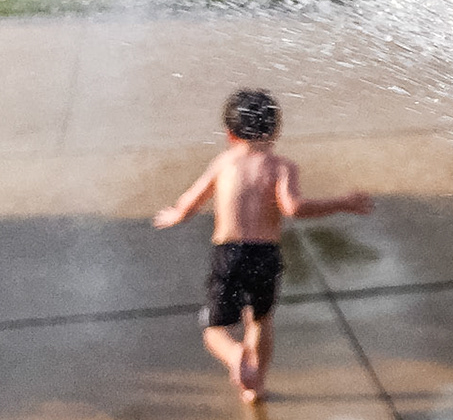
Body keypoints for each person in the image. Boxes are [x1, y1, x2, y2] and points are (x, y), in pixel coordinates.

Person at [155, 88, 371, 401]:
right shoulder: (282, 167)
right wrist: (342, 203)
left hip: (228, 254)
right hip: (265, 255)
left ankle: (234, 355)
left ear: (230, 134)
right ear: (276, 130)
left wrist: (177, 213)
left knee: (214, 331)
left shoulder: (223, 163)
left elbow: (191, 203)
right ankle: (256, 386)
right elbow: (293, 208)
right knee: (260, 319)